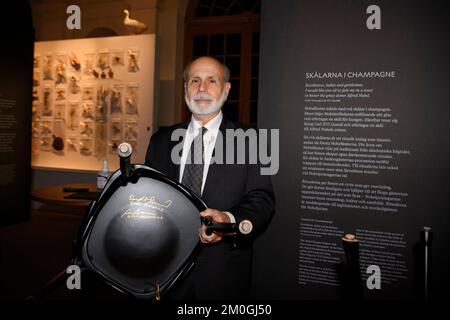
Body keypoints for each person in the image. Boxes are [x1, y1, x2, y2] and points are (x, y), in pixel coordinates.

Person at [145, 56, 275, 300]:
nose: (202, 88)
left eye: (211, 81)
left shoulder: (253, 140)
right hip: (168, 275)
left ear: (226, 89)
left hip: (223, 277)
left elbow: (262, 200)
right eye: (195, 80)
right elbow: (149, 200)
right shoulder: (160, 142)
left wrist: (226, 221)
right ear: (185, 88)